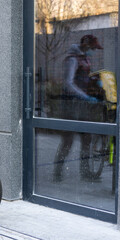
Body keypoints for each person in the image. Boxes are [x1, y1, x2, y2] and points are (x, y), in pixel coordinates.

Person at [53, 35, 103, 182]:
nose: (94, 51)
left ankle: (85, 172)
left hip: (82, 106)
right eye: (93, 48)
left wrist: (95, 82)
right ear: (86, 46)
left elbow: (83, 78)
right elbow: (68, 84)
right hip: (70, 105)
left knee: (87, 139)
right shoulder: (72, 59)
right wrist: (85, 96)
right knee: (68, 141)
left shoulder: (84, 58)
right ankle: (57, 172)